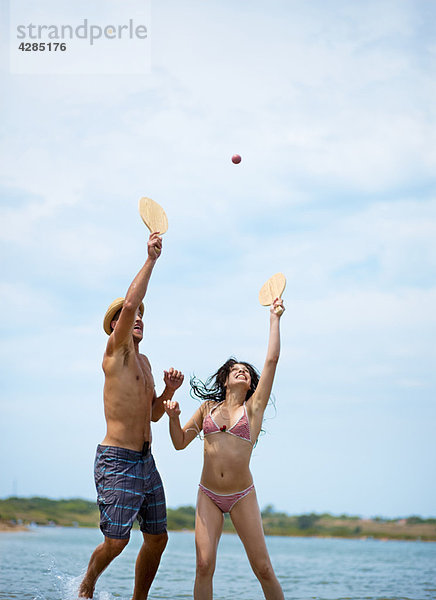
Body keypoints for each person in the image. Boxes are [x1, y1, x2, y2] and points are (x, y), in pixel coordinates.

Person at [79, 231, 184, 600]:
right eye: (131, 315)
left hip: (145, 460)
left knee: (158, 537)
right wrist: (152, 259)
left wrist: (168, 393)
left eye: (141, 314)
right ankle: (87, 584)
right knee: (116, 541)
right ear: (116, 327)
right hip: (117, 460)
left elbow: (152, 416)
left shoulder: (144, 362)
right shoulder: (116, 352)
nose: (137, 317)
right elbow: (127, 306)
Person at [163, 298, 285, 600]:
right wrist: (174, 418)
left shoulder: (253, 409)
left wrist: (274, 318)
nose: (242, 372)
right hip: (208, 494)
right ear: (226, 379)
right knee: (204, 565)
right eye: (236, 370)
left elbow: (271, 361)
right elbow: (179, 443)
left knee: (263, 568)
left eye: (246, 371)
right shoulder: (207, 408)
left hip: (242, 495)